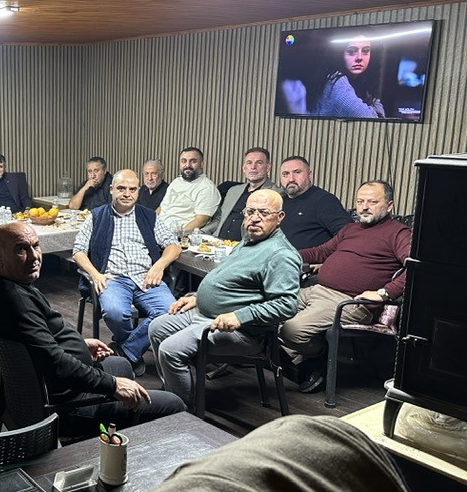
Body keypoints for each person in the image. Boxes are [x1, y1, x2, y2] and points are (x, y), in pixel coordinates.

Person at [0, 222, 185, 433]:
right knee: (173, 404)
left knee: (122, 365)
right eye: (21, 249)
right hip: (67, 404)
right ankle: (126, 438)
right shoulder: (16, 301)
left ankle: (122, 432)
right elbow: (57, 365)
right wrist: (113, 385)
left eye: (36, 246)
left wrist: (79, 344)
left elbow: (37, 345)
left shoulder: (3, 286)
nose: (34, 256)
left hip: (56, 386)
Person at [148, 190, 300, 406]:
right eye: (250, 211)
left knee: (170, 350)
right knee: (157, 327)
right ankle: (173, 391)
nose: (255, 218)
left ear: (280, 217)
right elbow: (229, 282)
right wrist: (197, 298)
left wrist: (239, 316)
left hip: (243, 332)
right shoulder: (249, 240)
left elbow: (286, 305)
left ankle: (181, 410)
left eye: (264, 213)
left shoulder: (281, 254)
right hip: (206, 314)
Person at [279, 180, 410, 394]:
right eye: (360, 201)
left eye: (372, 202)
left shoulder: (398, 233)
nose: (364, 207)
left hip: (349, 301)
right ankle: (306, 362)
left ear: (389, 205)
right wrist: (283, 254)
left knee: (291, 330)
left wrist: (384, 293)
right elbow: (321, 251)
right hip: (316, 289)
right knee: (266, 309)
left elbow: (415, 268)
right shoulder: (351, 229)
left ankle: (319, 355)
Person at [72, 170, 180, 376]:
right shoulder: (96, 216)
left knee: (170, 313)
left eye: (132, 189)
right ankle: (133, 351)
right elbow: (78, 251)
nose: (127, 194)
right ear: (112, 189)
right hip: (113, 278)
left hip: (146, 276)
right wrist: (95, 274)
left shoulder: (148, 216)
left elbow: (173, 246)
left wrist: (159, 266)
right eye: (121, 188)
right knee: (114, 313)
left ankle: (125, 351)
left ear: (138, 191)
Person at [277, 155, 351, 249]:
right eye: (285, 174)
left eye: (297, 172)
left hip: (308, 258)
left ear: (309, 175)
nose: (291, 179)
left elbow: (348, 235)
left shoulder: (324, 200)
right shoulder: (278, 202)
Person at [211, 148, 283, 241]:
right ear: (244, 168)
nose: (253, 167)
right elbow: (219, 219)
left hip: (247, 246)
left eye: (259, 163)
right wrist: (200, 232)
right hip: (217, 243)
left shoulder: (276, 194)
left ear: (268, 167)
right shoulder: (233, 191)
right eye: (249, 163)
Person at [309, 37, 385, 119]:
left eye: (365, 51)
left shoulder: (358, 81)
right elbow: (374, 119)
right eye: (351, 51)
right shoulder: (336, 82)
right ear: (339, 53)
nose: (359, 57)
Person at [156, 147, 221, 234]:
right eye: (183, 161)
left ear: (201, 164)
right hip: (157, 229)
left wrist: (178, 235)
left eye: (193, 161)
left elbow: (201, 220)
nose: (187, 165)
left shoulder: (206, 187)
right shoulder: (176, 182)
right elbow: (161, 208)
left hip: (175, 234)